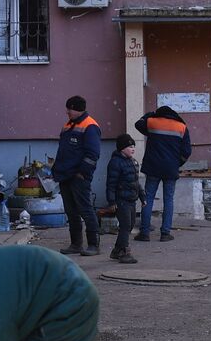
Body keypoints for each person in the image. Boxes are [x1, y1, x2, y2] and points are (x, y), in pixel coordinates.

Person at [51, 96, 102, 257]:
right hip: (65, 175)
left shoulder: (90, 126)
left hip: (78, 176)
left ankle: (93, 244)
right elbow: (63, 151)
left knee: (85, 209)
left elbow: (93, 154)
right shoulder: (68, 126)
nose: (67, 112)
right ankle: (76, 244)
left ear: (77, 109)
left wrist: (82, 173)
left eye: (69, 109)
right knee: (71, 211)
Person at [134, 105, 192, 243]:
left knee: (147, 199)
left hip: (153, 167)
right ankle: (165, 233)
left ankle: (144, 233)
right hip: (170, 169)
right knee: (168, 200)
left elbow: (138, 124)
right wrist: (177, 164)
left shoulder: (152, 122)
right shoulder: (181, 126)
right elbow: (187, 151)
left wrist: (150, 114)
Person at [103, 133, 141, 264]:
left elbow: (136, 182)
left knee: (129, 226)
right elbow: (111, 184)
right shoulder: (115, 163)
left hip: (132, 200)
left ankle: (116, 250)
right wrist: (112, 201)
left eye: (133, 146)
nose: (133, 149)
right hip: (121, 201)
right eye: (130, 146)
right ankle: (125, 253)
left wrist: (143, 196)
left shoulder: (133, 162)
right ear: (122, 149)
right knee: (125, 226)